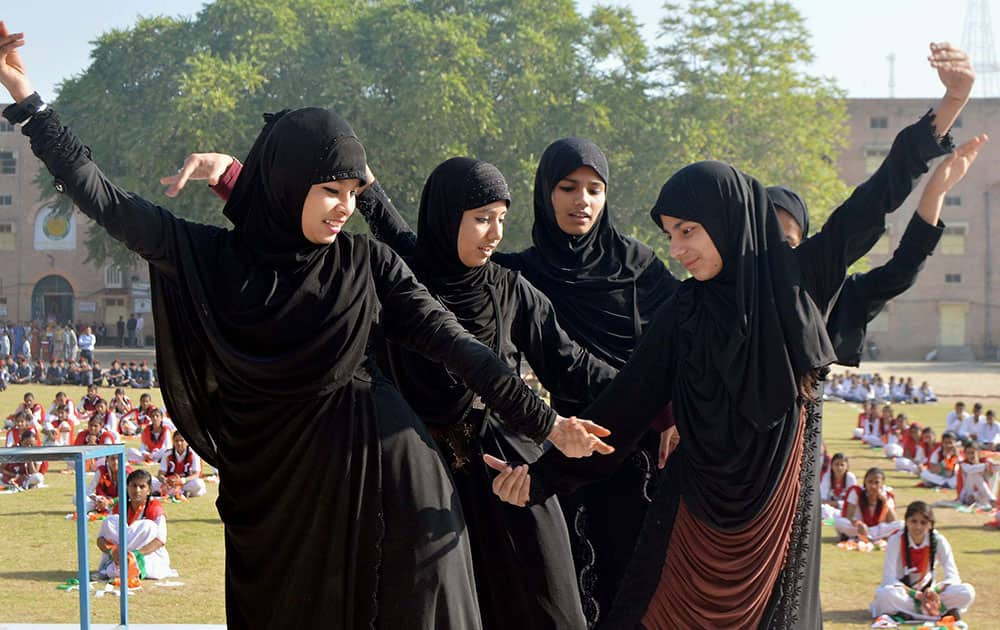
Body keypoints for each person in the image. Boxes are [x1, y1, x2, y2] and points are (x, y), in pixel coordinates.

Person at [0, 29, 610, 629]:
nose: (345, 206)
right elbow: (102, 196)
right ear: (288, 182)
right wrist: (26, 97)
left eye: (351, 191)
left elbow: (460, 347)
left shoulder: (368, 264)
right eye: (329, 190)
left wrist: (548, 424)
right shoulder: (207, 255)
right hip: (275, 492)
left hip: (383, 473)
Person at [173, 136, 681, 627]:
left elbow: (577, 367)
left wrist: (669, 411)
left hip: (500, 471)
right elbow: (300, 235)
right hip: (409, 473)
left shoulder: (511, 289)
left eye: (500, 220)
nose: (495, 234)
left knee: (544, 601)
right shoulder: (400, 279)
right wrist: (233, 179)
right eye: (482, 219)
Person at [870, 501, 975, 622]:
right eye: (913, 521)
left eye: (923, 522)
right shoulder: (896, 540)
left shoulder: (938, 540)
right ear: (906, 522)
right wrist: (916, 595)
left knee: (967, 591)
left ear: (930, 525)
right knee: (885, 594)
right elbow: (888, 579)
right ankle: (938, 614)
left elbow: (953, 577)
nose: (918, 527)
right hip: (905, 593)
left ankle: (908, 614)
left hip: (930, 594)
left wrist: (934, 591)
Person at [96, 468, 177, 580]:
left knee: (147, 526)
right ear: (127, 488)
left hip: (146, 554)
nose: (137, 490)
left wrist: (135, 555)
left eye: (142, 487)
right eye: (133, 486)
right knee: (110, 520)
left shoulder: (155, 508)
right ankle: (121, 563)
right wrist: (113, 551)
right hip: (117, 556)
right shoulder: (119, 508)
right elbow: (100, 540)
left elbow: (160, 541)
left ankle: (124, 565)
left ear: (149, 490)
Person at [834, 467, 903, 543]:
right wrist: (858, 523)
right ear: (865, 482)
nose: (873, 486)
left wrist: (885, 503)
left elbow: (892, 521)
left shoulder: (886, 496)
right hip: (858, 527)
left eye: (876, 482)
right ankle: (868, 537)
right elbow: (849, 515)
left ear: (882, 484)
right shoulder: (856, 491)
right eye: (870, 482)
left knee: (901, 524)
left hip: (877, 529)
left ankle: (863, 537)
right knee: (838, 522)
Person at [155, 432, 207, 499]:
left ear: (187, 442)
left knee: (199, 483)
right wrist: (166, 480)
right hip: (170, 484)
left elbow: (196, 474)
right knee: (151, 481)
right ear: (173, 442)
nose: (179, 443)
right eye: (176, 441)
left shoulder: (193, 454)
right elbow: (160, 474)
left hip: (185, 483)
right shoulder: (167, 454)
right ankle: (182, 493)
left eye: (182, 440)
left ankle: (172, 493)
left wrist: (182, 480)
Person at [955, 440, 998, 507]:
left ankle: (991, 499)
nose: (970, 455)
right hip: (967, 494)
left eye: (972, 453)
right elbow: (971, 469)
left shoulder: (985, 461)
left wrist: (992, 466)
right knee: (974, 474)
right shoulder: (963, 464)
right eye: (968, 453)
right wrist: (986, 465)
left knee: (995, 471)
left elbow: (994, 470)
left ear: (978, 453)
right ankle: (992, 499)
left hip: (982, 495)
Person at [820, 453, 857, 522]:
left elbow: (852, 501)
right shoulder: (827, 477)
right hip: (830, 508)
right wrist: (830, 504)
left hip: (845, 508)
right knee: (823, 508)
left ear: (846, 467)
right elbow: (822, 498)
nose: (839, 468)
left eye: (842, 465)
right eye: (836, 464)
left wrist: (836, 503)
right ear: (831, 466)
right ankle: (832, 521)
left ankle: (832, 521)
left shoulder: (850, 478)